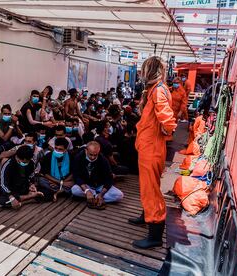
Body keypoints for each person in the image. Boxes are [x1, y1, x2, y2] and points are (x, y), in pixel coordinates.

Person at [129, 56, 177, 249]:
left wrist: (167, 130)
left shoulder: (158, 91)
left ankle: (155, 233)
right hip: (149, 147)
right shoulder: (156, 90)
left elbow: (168, 120)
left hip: (152, 148)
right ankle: (146, 216)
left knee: (151, 190)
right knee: (148, 185)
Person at [71, 141, 124, 209]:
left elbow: (109, 178)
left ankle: (94, 198)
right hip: (87, 185)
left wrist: (101, 194)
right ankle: (95, 197)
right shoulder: (79, 157)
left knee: (119, 195)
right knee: (74, 190)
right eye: (91, 154)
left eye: (95, 155)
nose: (93, 157)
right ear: (86, 150)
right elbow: (76, 176)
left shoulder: (103, 159)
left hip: (100, 186)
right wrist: (87, 191)